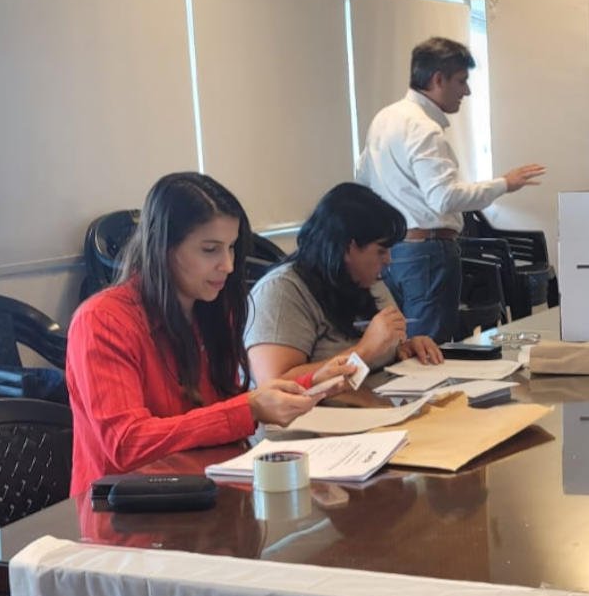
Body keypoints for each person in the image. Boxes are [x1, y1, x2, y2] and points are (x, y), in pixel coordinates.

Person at [66, 173, 355, 497]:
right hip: (125, 512)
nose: (228, 265)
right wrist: (249, 408)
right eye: (210, 250)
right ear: (162, 247)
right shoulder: (102, 321)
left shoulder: (211, 308)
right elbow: (128, 444)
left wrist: (311, 383)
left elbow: (218, 409)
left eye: (231, 248)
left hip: (206, 492)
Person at [355, 36, 546, 343]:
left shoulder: (384, 118)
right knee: (429, 350)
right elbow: (444, 198)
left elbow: (363, 181)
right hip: (427, 254)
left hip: (391, 252)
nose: (467, 91)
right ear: (438, 79)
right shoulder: (423, 128)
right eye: (462, 81)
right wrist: (504, 184)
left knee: (399, 348)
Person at [245, 182, 444, 385]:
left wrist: (406, 348)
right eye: (381, 251)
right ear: (348, 248)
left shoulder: (367, 279)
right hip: (319, 414)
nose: (388, 260)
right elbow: (273, 386)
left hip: (372, 405)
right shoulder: (282, 292)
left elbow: (383, 350)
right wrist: (365, 351)